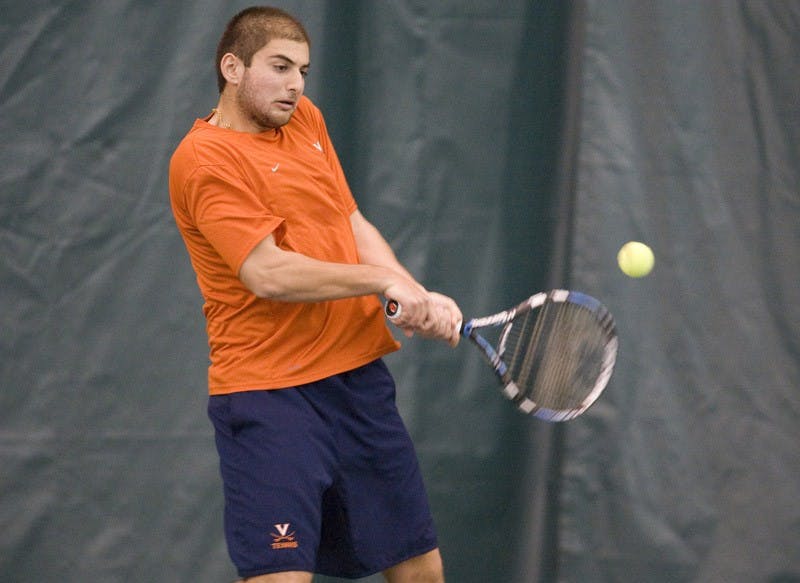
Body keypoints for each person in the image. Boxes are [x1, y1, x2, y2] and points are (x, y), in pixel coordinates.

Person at [168, 6, 461, 582]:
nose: (295, 83)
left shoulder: (305, 121)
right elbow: (268, 274)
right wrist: (381, 282)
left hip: (357, 383)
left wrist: (410, 287)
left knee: (420, 569)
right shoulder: (204, 160)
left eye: (302, 69)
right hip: (268, 395)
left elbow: (348, 220)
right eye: (279, 67)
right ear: (232, 67)